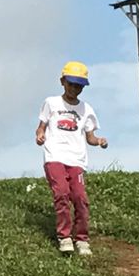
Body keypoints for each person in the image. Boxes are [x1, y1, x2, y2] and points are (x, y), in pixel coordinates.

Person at [35, 61, 108, 256]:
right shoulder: (51, 103)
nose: (74, 89)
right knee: (61, 194)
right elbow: (41, 127)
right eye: (71, 84)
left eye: (79, 86)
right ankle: (64, 236)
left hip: (76, 160)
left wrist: (98, 140)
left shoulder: (86, 109)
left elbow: (89, 137)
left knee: (80, 198)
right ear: (62, 82)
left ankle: (82, 239)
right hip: (55, 156)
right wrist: (40, 135)